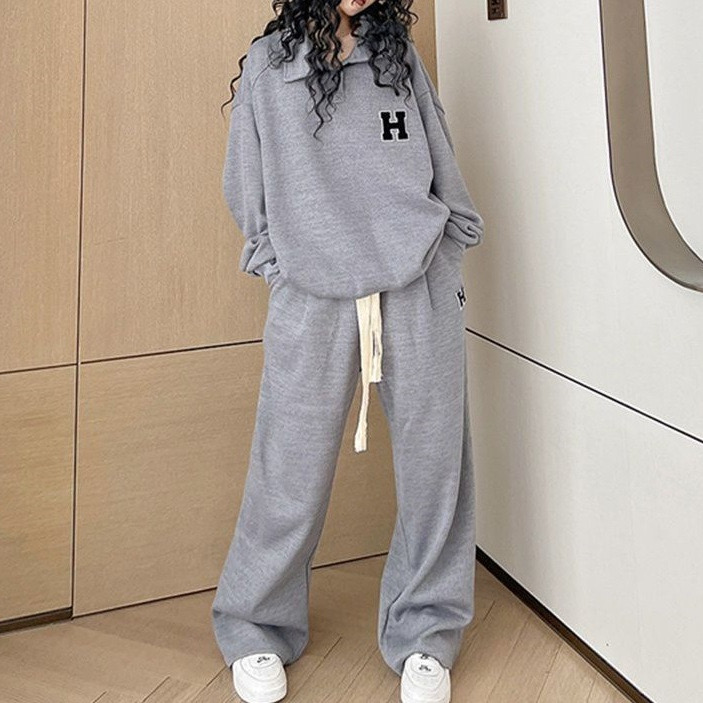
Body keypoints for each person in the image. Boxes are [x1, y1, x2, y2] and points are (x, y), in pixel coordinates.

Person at [211, 1, 484, 701]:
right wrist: (283, 268)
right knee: (289, 466)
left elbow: (440, 160)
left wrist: (448, 247)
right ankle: (255, 625)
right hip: (314, 293)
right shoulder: (270, 69)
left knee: (435, 470)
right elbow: (247, 185)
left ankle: (426, 634)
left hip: (419, 285)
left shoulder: (398, 57)